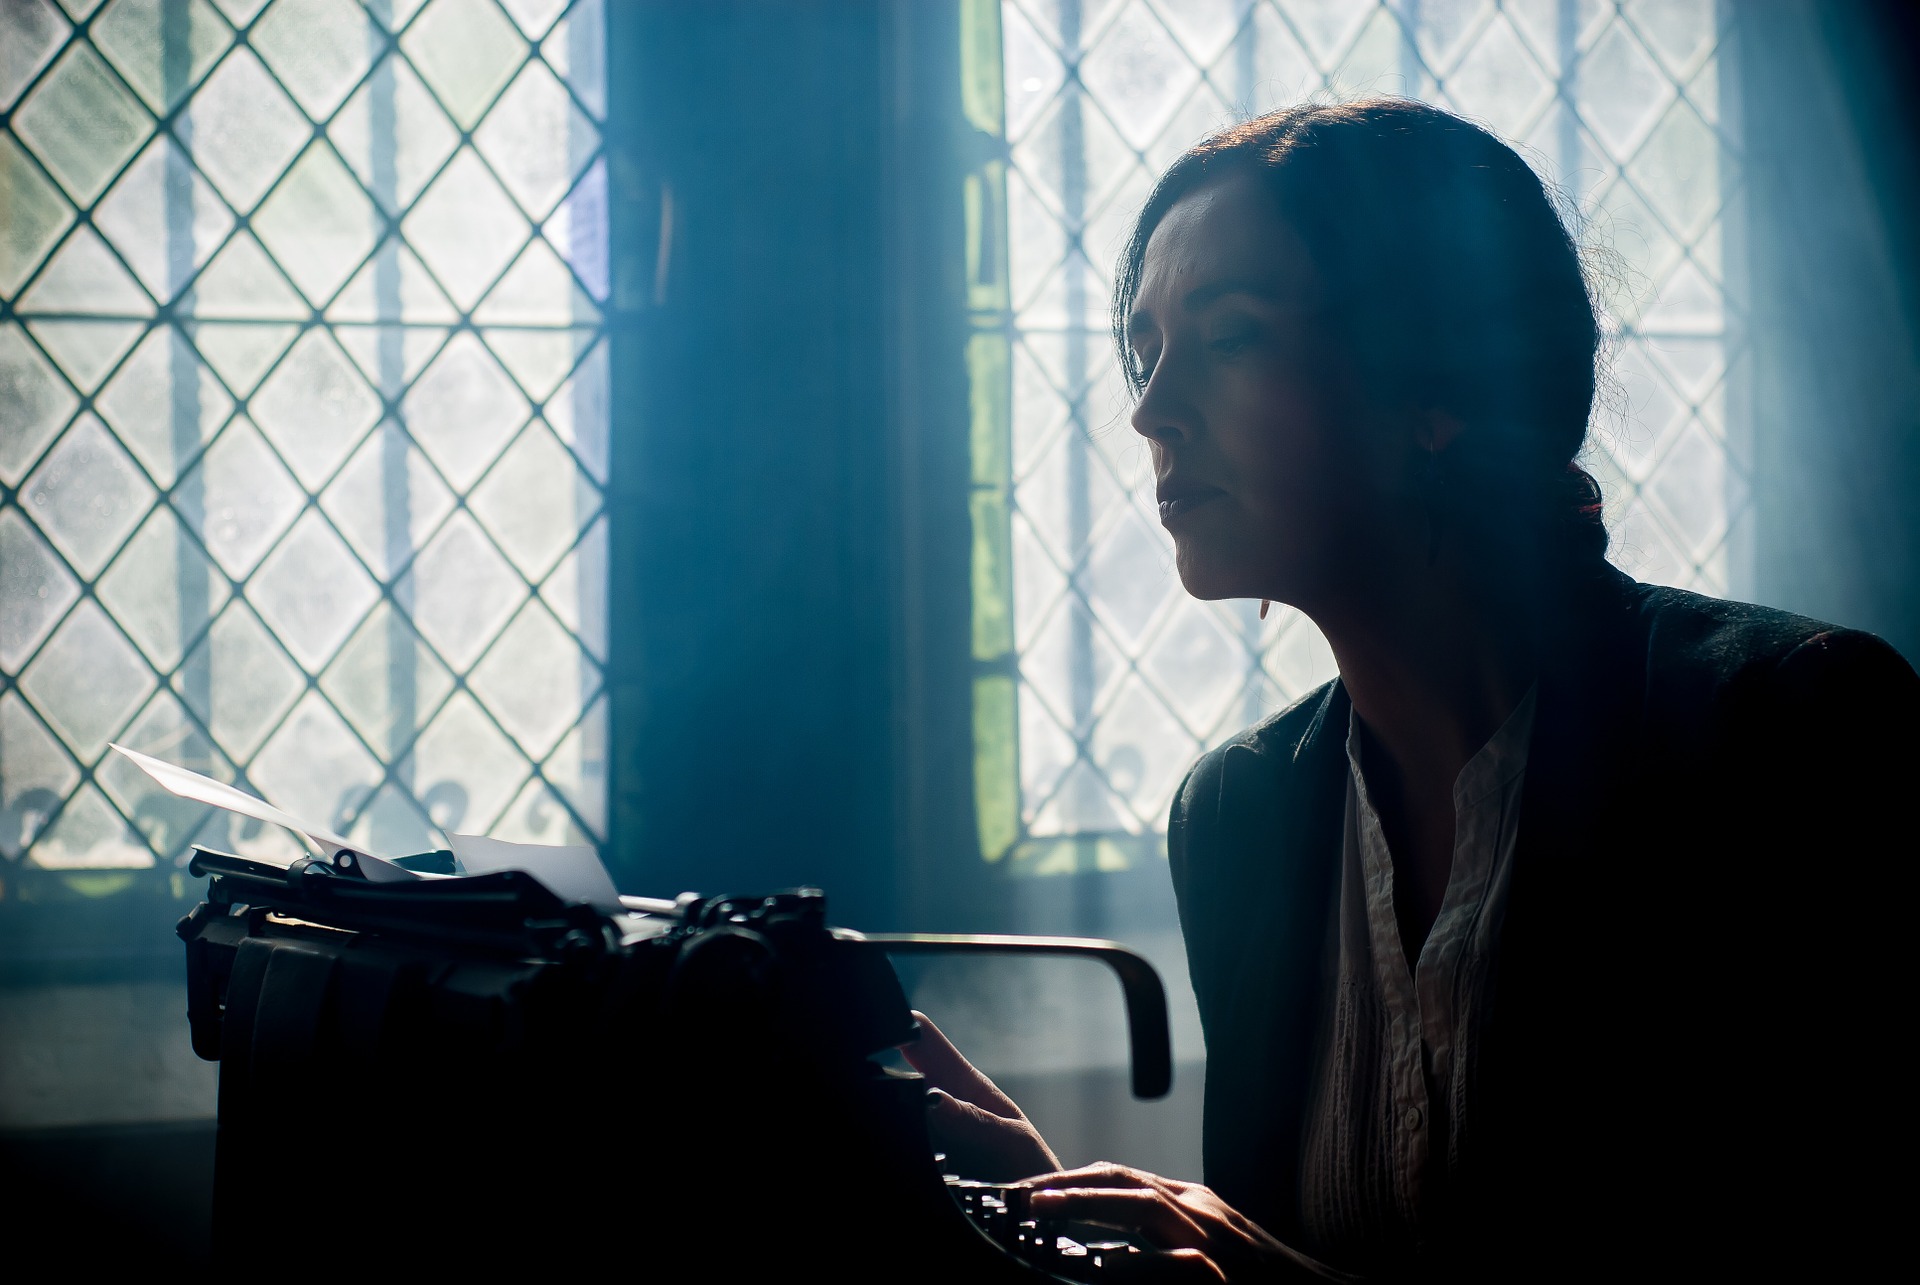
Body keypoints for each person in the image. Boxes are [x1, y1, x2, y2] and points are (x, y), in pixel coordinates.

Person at [904, 98, 1918, 1282]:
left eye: (1228, 339)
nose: (1150, 409)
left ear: (1436, 383)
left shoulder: (1786, 732)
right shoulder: (1238, 817)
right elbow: (1263, 1262)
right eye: (1146, 350)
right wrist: (1070, 1217)